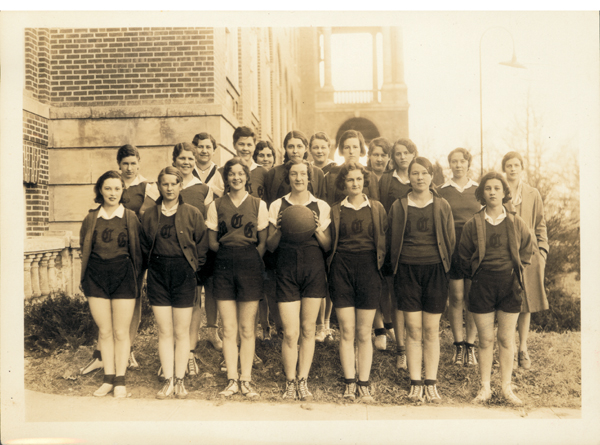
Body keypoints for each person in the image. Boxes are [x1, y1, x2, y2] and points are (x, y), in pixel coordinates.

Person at [459, 172, 533, 405]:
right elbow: (463, 255)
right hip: (482, 286)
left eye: (497, 188)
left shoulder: (515, 221)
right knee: (485, 339)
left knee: (506, 339)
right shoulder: (474, 223)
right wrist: (478, 275)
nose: (492, 192)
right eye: (488, 188)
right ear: (482, 193)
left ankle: (506, 388)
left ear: (504, 192)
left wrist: (515, 269)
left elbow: (527, 250)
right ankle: (485, 388)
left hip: (509, 285)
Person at [387, 157, 455, 403]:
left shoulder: (442, 205)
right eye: (415, 173)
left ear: (431, 176)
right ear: (409, 177)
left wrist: (444, 268)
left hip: (435, 271)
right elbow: (391, 239)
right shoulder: (398, 205)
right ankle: (416, 382)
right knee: (413, 330)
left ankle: (431, 382)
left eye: (424, 173)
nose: (419, 177)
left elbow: (450, 240)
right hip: (407, 271)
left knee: (431, 330)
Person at [79, 144, 149, 376]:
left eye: (133, 163)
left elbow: (140, 245)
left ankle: (123, 361)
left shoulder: (141, 200)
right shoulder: (92, 216)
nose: (112, 192)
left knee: (124, 322)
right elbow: (86, 247)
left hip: (126, 267)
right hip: (100, 271)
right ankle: (103, 362)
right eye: (108, 188)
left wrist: (135, 271)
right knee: (105, 326)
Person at [267, 160, 332, 401]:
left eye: (303, 174)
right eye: (294, 174)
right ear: (288, 177)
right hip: (286, 270)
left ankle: (303, 379)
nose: (298, 178)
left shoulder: (321, 206)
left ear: (309, 177)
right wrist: (281, 228)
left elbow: (327, 246)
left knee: (308, 329)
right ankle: (290, 381)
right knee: (290, 332)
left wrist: (315, 228)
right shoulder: (277, 205)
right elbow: (270, 247)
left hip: (313, 268)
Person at [140, 166, 207, 399]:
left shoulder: (192, 213)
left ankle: (180, 380)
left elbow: (202, 247)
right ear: (159, 186)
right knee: (164, 330)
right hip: (158, 275)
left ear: (181, 185)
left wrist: (193, 270)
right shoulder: (149, 215)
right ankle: (168, 380)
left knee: (181, 331)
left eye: (174, 183)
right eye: (165, 184)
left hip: (183, 275)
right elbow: (142, 248)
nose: (169, 188)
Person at [206, 158, 268, 399]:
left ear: (246, 177)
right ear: (226, 178)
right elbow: (212, 241)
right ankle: (232, 379)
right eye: (231, 174)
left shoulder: (258, 204)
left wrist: (249, 258)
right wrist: (226, 256)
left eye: (240, 174)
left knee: (246, 327)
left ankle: (246, 380)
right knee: (229, 328)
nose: (236, 178)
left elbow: (263, 242)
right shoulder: (216, 204)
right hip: (223, 263)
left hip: (250, 264)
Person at [328, 162, 387, 403]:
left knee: (364, 332)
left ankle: (364, 383)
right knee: (347, 330)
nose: (355, 183)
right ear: (343, 183)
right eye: (350, 180)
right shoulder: (335, 210)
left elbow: (383, 240)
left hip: (368, 270)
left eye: (359, 179)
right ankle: (349, 382)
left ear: (365, 181)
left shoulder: (377, 207)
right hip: (341, 269)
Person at [321, 130, 380, 343]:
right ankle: (327, 324)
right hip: (341, 239)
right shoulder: (333, 176)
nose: (351, 151)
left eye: (355, 146)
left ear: (361, 149)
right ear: (341, 149)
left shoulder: (368, 176)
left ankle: (379, 328)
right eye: (347, 147)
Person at [502, 152, 549, 370]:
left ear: (522, 167)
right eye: (509, 165)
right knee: (508, 302)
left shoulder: (532, 193)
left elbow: (540, 224)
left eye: (516, 165)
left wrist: (542, 251)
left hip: (530, 256)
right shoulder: (499, 191)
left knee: (526, 304)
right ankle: (508, 349)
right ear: (504, 168)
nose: (512, 169)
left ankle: (523, 348)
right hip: (505, 254)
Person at [378, 138, 418, 370]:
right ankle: (401, 349)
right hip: (393, 245)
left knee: (409, 297)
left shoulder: (419, 176)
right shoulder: (386, 180)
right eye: (398, 153)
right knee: (394, 294)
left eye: (406, 153)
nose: (402, 157)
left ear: (413, 154)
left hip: (415, 246)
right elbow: (381, 212)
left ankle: (415, 345)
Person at [438, 148, 480, 367]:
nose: (457, 165)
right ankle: (458, 344)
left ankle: (470, 347)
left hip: (474, 251)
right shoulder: (441, 190)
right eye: (453, 161)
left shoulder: (478, 189)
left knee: (472, 298)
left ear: (468, 163)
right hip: (452, 250)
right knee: (455, 297)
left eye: (461, 161)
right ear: (449, 165)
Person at [187, 133, 224, 376]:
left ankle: (211, 330)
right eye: (200, 147)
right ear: (194, 149)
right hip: (189, 235)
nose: (203, 151)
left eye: (208, 147)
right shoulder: (186, 171)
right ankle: (192, 333)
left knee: (210, 284)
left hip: (211, 232)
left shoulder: (219, 173)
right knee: (192, 286)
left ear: (214, 149)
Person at [365, 137, 395, 351]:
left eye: (383, 155)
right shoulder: (364, 178)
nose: (379, 158)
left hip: (390, 235)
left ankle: (389, 321)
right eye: (375, 154)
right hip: (369, 236)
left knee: (388, 282)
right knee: (373, 282)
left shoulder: (393, 179)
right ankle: (379, 329)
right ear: (369, 156)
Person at [263, 130, 326, 206]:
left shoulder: (317, 173)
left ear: (305, 148)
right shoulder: (273, 173)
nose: (295, 151)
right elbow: (268, 204)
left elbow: (322, 204)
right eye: (290, 147)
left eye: (299, 146)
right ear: (285, 148)